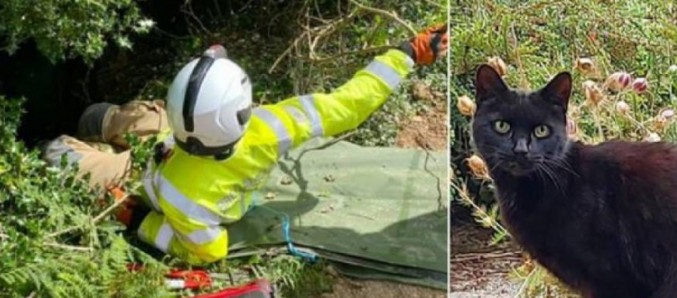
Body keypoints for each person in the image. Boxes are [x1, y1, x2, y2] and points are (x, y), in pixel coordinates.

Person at [44, 24, 448, 265]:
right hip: (168, 142)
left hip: (140, 177)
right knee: (137, 119)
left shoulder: (183, 199)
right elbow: (350, 104)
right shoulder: (272, 127)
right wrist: (407, 54)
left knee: (57, 154)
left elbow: (207, 252)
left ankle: (93, 133)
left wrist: (139, 221)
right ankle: (104, 124)